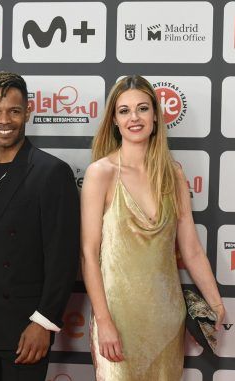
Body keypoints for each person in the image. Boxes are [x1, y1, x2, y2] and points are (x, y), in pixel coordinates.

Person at [81, 75, 225, 380]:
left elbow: (192, 249)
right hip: (118, 321)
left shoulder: (173, 174)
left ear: (156, 117)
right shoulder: (101, 173)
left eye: (142, 108)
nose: (134, 117)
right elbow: (88, 255)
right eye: (124, 111)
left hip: (167, 322)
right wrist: (104, 321)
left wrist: (214, 302)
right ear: (114, 121)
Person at [0, 72, 80, 380]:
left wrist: (43, 322)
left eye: (14, 110)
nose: (5, 120)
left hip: (25, 329)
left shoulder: (52, 172)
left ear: (28, 112)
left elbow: (62, 258)